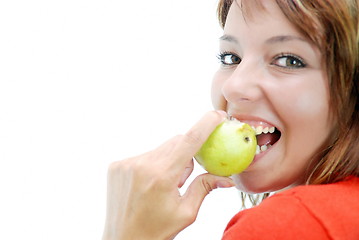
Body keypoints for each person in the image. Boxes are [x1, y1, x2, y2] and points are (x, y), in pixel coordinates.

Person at [102, 0, 359, 239]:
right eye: (231, 58)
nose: (233, 87)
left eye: (288, 60)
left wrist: (129, 234)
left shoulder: (284, 225)